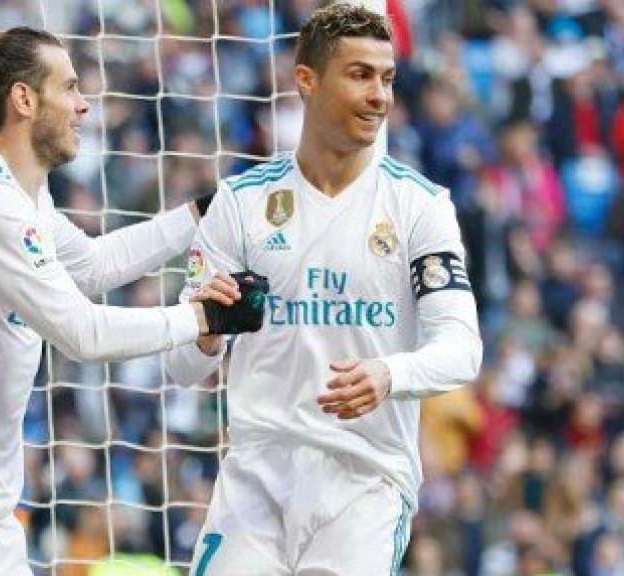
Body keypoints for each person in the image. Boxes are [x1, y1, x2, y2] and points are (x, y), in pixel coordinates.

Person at [0, 19, 265, 575]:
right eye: (69, 86)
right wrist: (202, 315)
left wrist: (203, 212)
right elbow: (81, 332)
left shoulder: (26, 201)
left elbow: (93, 265)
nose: (83, 105)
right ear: (23, 99)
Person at [165, 4, 482, 574]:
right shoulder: (240, 203)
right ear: (306, 81)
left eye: (387, 78)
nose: (380, 95)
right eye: (360, 74)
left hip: (364, 480)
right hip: (255, 474)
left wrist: (391, 374)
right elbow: (182, 368)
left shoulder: (420, 207)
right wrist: (207, 333)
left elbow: (462, 349)